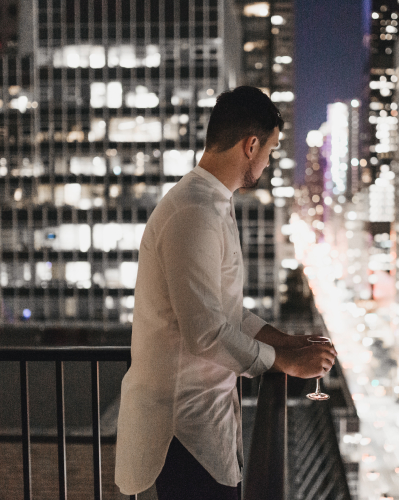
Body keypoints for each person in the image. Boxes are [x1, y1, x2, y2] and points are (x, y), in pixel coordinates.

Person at [115, 86, 337, 499]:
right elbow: (205, 331)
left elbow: (225, 312)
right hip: (179, 435)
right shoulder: (193, 212)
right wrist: (283, 360)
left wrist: (287, 341)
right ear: (250, 145)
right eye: (269, 151)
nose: (268, 162)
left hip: (202, 428)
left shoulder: (212, 203)